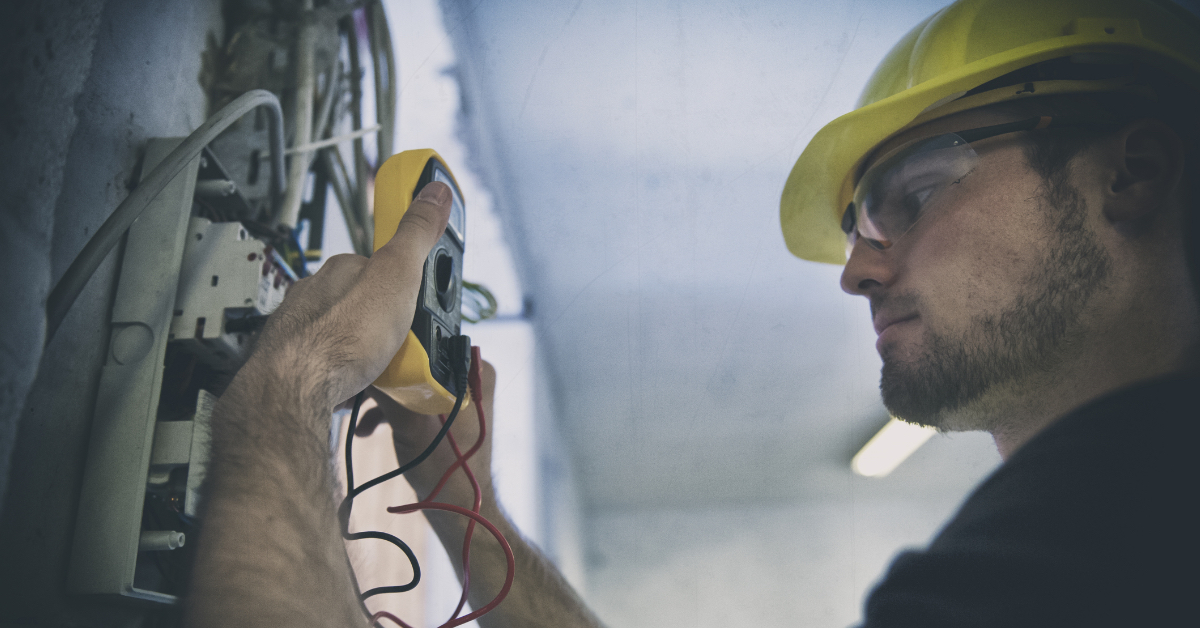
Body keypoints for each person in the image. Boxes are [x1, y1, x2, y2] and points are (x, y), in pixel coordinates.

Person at [183, 0, 1200, 625]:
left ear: (1132, 173)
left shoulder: (1094, 547)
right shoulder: (1109, 541)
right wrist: (468, 513)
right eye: (856, 224)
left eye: (915, 194)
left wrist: (291, 381)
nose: (856, 272)